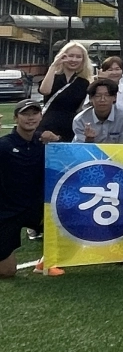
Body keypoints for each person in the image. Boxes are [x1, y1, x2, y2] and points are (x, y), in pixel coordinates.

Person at [1, 101, 54, 279]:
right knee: (7, 272)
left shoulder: (46, 143)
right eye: (25, 114)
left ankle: (48, 261)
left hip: (37, 210)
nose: (30, 117)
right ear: (16, 118)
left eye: (34, 113)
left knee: (69, 219)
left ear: (40, 117)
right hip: (7, 212)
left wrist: (57, 142)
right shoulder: (4, 146)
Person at [36, 40, 93, 143]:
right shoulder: (53, 77)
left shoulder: (84, 83)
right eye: (70, 56)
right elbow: (44, 90)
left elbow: (83, 107)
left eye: (78, 57)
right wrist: (54, 65)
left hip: (70, 125)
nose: (74, 60)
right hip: (48, 123)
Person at [72, 78, 123, 145]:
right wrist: (88, 141)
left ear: (114, 97)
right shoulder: (80, 120)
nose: (102, 100)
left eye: (107, 95)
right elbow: (79, 149)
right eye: (98, 96)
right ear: (90, 98)